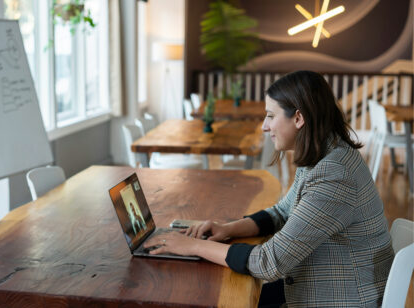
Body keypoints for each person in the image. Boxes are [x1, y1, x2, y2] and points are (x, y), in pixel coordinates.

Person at [145, 70, 394, 307]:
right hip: (319, 286)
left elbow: (269, 262)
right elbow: (282, 212)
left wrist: (192, 247)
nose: (265, 126)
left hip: (343, 299)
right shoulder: (324, 153)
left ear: (298, 118)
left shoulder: (335, 174)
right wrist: (227, 228)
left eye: (271, 116)